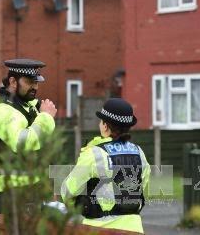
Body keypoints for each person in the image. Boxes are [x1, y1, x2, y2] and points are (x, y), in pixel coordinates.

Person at [61, 98, 151, 234]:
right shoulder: (139, 152)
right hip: (134, 229)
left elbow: (68, 191)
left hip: (99, 229)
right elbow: (142, 186)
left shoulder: (94, 153)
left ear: (105, 126)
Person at [0, 58, 57, 213]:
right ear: (13, 81)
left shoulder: (31, 106)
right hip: (10, 191)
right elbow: (22, 143)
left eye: (36, 83)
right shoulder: (2, 110)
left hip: (34, 189)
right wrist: (45, 117)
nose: (34, 87)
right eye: (29, 82)